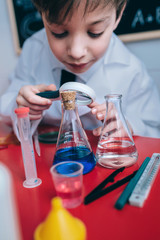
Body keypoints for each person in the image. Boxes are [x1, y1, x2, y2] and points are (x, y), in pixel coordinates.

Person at [0, 0, 160, 139]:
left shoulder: (132, 71)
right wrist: (22, 105)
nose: (76, 52)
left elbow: (152, 130)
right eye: (59, 33)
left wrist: (130, 126)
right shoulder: (33, 49)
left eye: (94, 33)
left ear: (118, 15)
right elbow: (6, 109)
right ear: (42, 15)